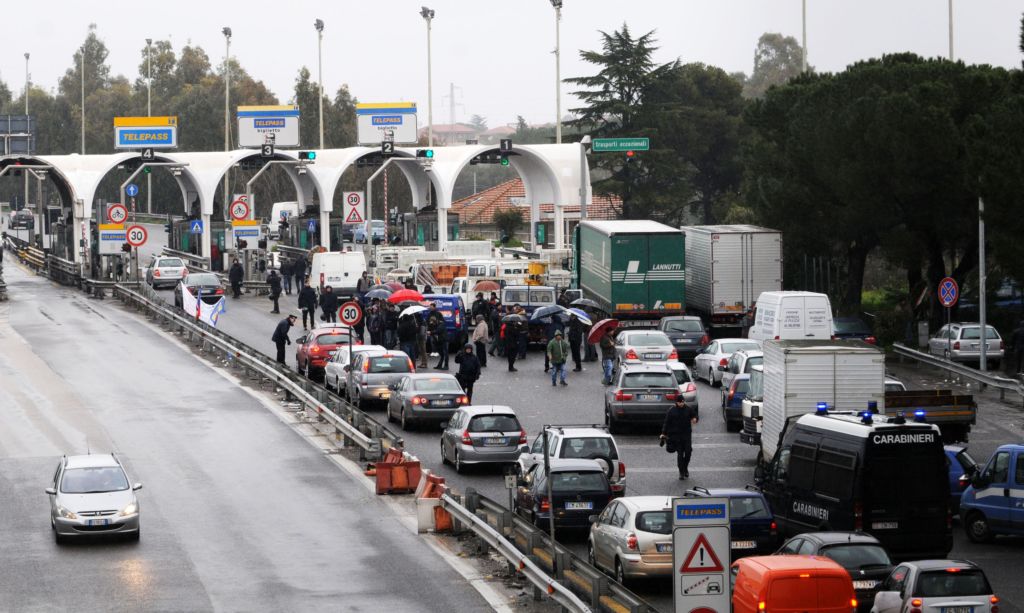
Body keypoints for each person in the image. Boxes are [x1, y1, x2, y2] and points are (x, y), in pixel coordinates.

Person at [660, 396, 699, 479]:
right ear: (676, 402)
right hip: (676, 436)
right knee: (680, 454)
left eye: (682, 402)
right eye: (680, 402)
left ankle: (685, 468)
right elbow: (666, 423)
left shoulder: (688, 409)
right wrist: (663, 433)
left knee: (688, 452)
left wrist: (695, 418)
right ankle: (681, 472)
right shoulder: (671, 411)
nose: (681, 404)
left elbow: (694, 415)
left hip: (687, 435)